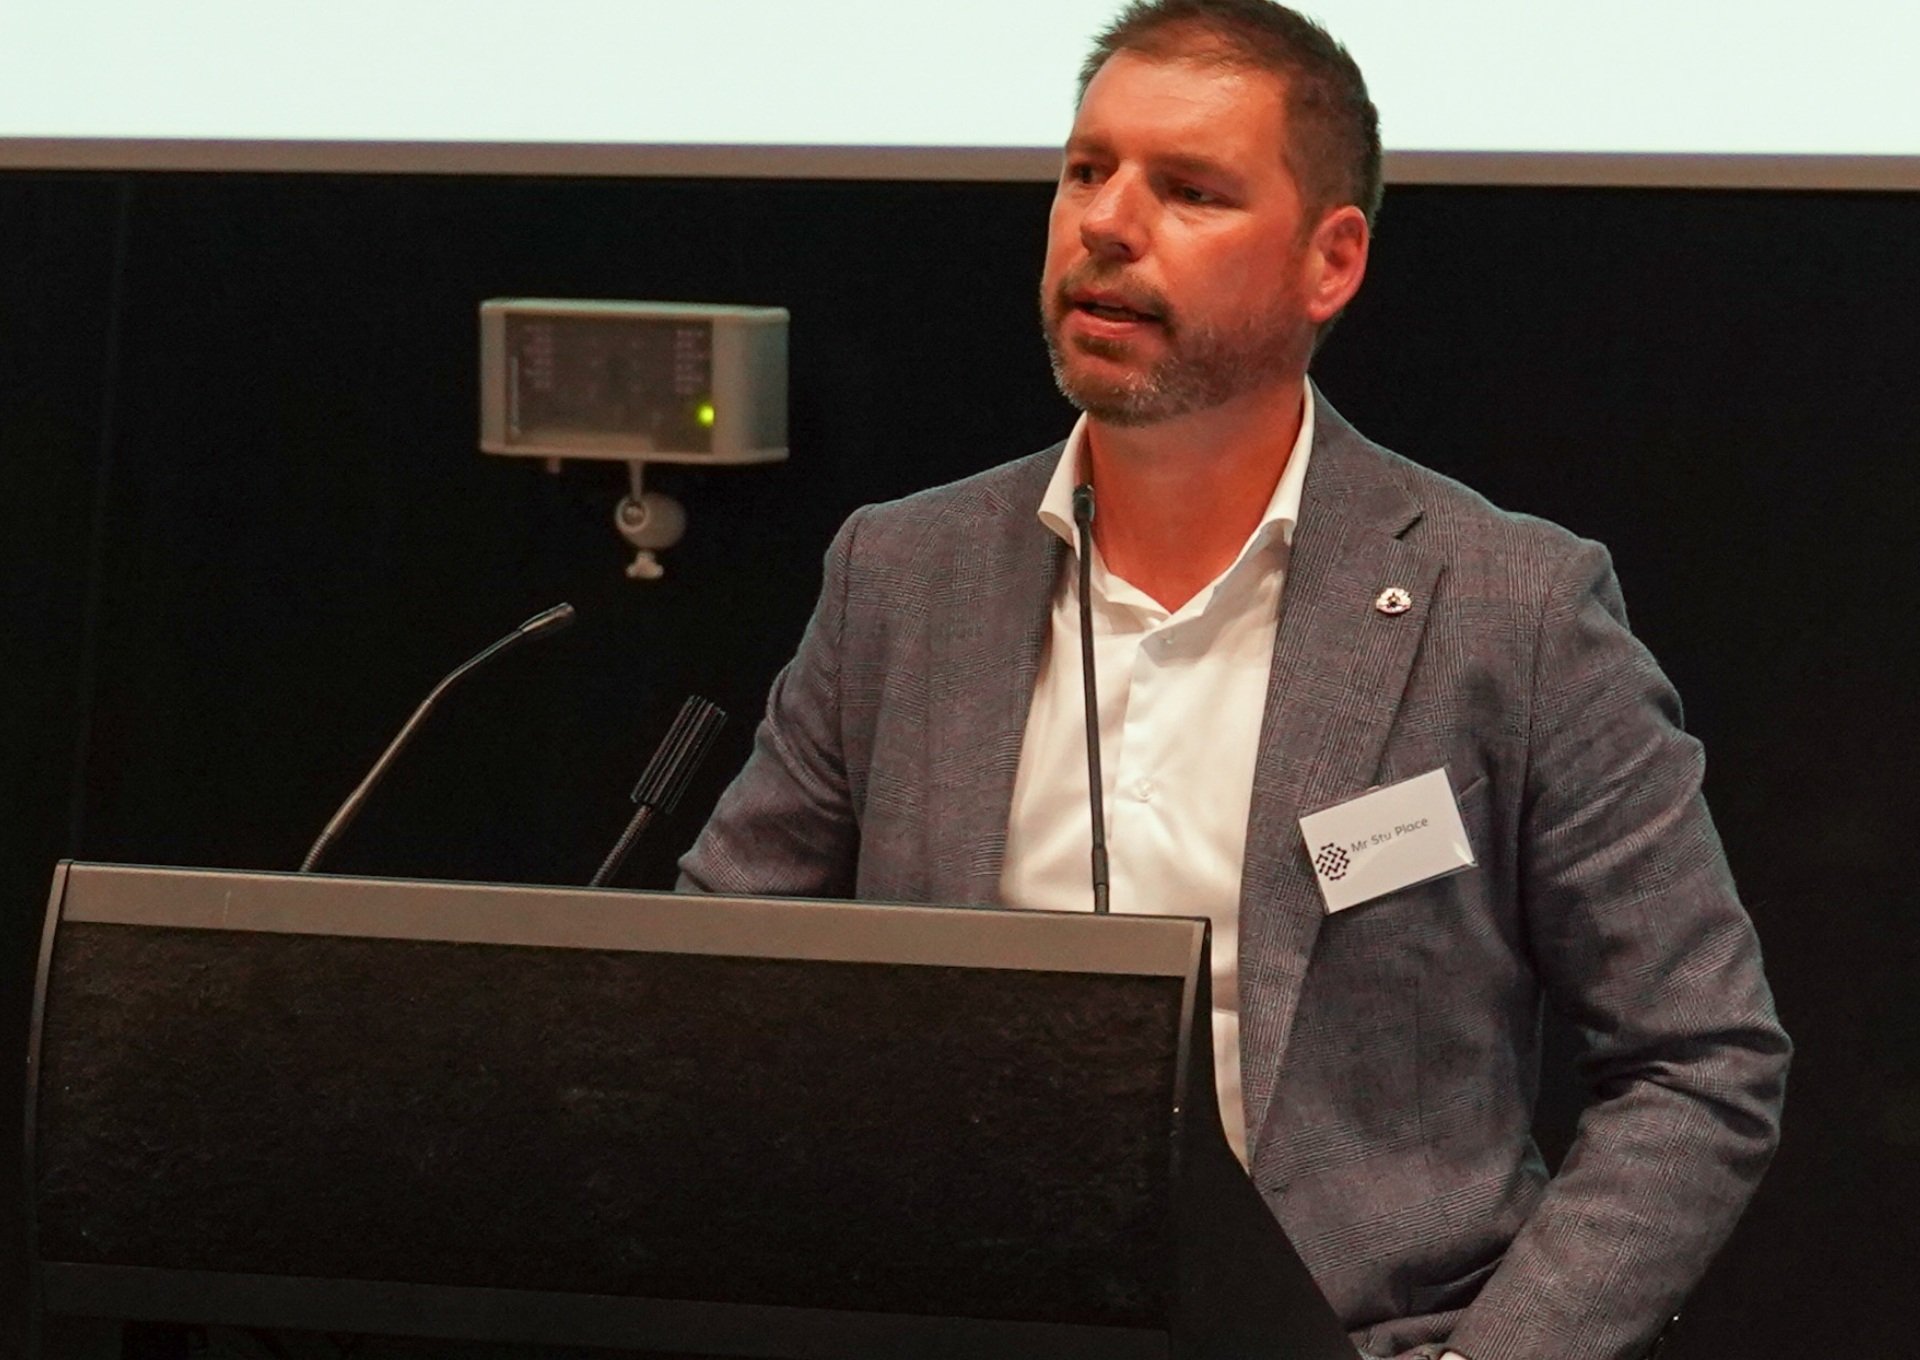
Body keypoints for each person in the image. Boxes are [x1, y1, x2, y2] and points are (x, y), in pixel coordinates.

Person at [679, 1, 1790, 1355]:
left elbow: (1701, 1062)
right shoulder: (901, 578)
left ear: (1331, 261)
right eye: (1088, 171)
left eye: (1191, 191)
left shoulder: (1512, 609)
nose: (1107, 223)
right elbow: (716, 979)